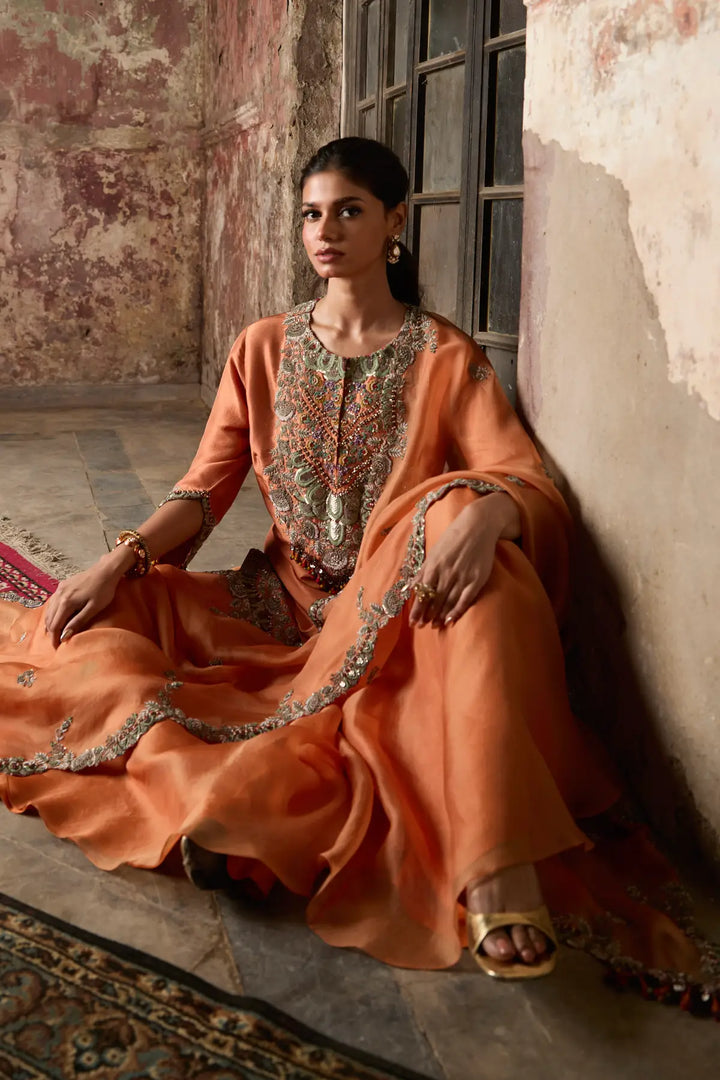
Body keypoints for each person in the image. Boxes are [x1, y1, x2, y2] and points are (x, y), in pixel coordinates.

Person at [0, 138, 717, 1000]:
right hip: (271, 606)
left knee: (468, 524)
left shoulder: (445, 359)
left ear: (395, 224)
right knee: (102, 639)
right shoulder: (262, 349)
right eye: (312, 213)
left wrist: (491, 510)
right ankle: (255, 812)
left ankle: (494, 862)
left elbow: (522, 473)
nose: (325, 231)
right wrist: (121, 561)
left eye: (348, 210)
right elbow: (204, 488)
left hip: (392, 616)